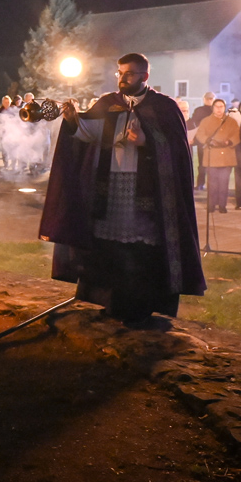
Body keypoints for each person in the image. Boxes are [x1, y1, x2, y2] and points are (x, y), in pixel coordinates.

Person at [39, 53, 205, 324]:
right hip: (111, 187)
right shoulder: (107, 103)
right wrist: (72, 121)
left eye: (128, 74)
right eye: (119, 73)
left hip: (147, 193)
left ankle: (139, 307)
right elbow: (87, 135)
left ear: (145, 77)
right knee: (110, 246)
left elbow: (177, 149)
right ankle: (110, 302)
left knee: (140, 251)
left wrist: (146, 141)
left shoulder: (164, 107)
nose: (122, 79)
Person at [194, 98, 239, 214]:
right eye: (217, 106)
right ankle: (211, 204)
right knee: (212, 183)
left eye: (221, 106)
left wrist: (229, 141)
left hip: (226, 156)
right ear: (212, 108)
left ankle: (222, 205)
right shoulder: (206, 121)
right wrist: (208, 141)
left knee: (224, 183)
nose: (219, 109)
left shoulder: (231, 121)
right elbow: (200, 134)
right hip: (212, 155)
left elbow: (237, 135)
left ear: (225, 108)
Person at [189, 92, 215, 190]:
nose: (209, 100)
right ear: (204, 99)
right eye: (208, 98)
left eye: (211, 99)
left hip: (214, 141)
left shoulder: (216, 110)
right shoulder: (199, 110)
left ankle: (212, 185)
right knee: (202, 164)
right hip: (202, 141)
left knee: (214, 165)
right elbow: (194, 123)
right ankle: (200, 183)